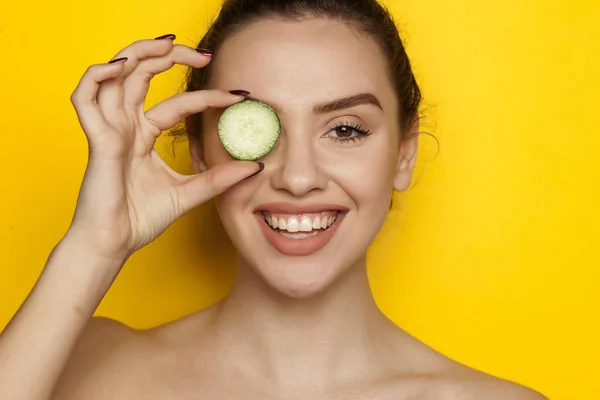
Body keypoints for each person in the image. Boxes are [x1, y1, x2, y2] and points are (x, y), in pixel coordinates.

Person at [0, 0, 547, 398]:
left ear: (404, 154)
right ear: (199, 151)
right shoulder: (82, 368)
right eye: (258, 128)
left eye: (346, 129)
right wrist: (94, 244)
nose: (299, 177)